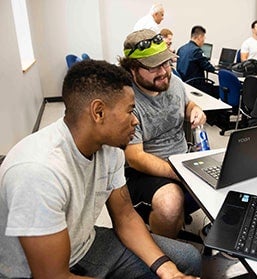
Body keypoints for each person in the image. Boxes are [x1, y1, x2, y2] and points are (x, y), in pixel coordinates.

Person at [0, 60, 201, 278]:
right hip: (32, 272)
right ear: (98, 112)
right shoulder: (38, 172)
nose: (135, 121)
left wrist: (169, 271)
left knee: (187, 259)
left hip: (84, 246)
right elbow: (53, 276)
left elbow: (125, 217)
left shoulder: (110, 147)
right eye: (130, 111)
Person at [119, 29, 207, 239]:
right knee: (170, 204)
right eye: (154, 67)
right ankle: (166, 249)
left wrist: (195, 109)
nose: (164, 71)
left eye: (166, 63)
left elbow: (185, 104)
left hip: (180, 158)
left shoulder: (173, 81)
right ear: (132, 69)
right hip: (143, 171)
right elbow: (135, 157)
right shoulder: (126, 100)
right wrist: (178, 173)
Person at [176, 25, 218, 98]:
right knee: (217, 90)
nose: (203, 41)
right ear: (199, 37)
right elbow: (208, 67)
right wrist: (215, 68)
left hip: (183, 82)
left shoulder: (181, 49)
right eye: (203, 38)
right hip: (195, 85)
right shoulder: (196, 50)